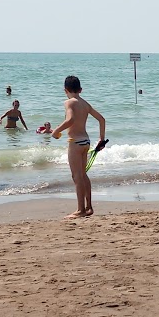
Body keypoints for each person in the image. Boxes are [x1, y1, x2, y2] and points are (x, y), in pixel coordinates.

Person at [53, 75, 107, 218]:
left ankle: (80, 210)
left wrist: (56, 130)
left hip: (75, 142)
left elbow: (70, 120)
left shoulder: (69, 102)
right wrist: (101, 139)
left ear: (66, 90)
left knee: (77, 177)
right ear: (80, 89)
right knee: (83, 175)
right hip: (86, 141)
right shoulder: (85, 104)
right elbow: (102, 119)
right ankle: (88, 207)